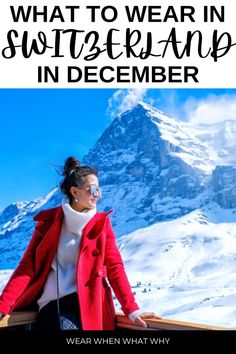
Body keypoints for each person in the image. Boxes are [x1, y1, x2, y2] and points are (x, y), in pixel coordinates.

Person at [0, 157, 160, 330]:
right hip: (54, 306)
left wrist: (132, 309)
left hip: (90, 307)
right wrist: (2, 305)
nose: (97, 194)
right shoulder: (48, 222)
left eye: (99, 189)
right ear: (75, 192)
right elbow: (27, 266)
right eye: (92, 189)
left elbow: (115, 268)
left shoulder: (102, 224)